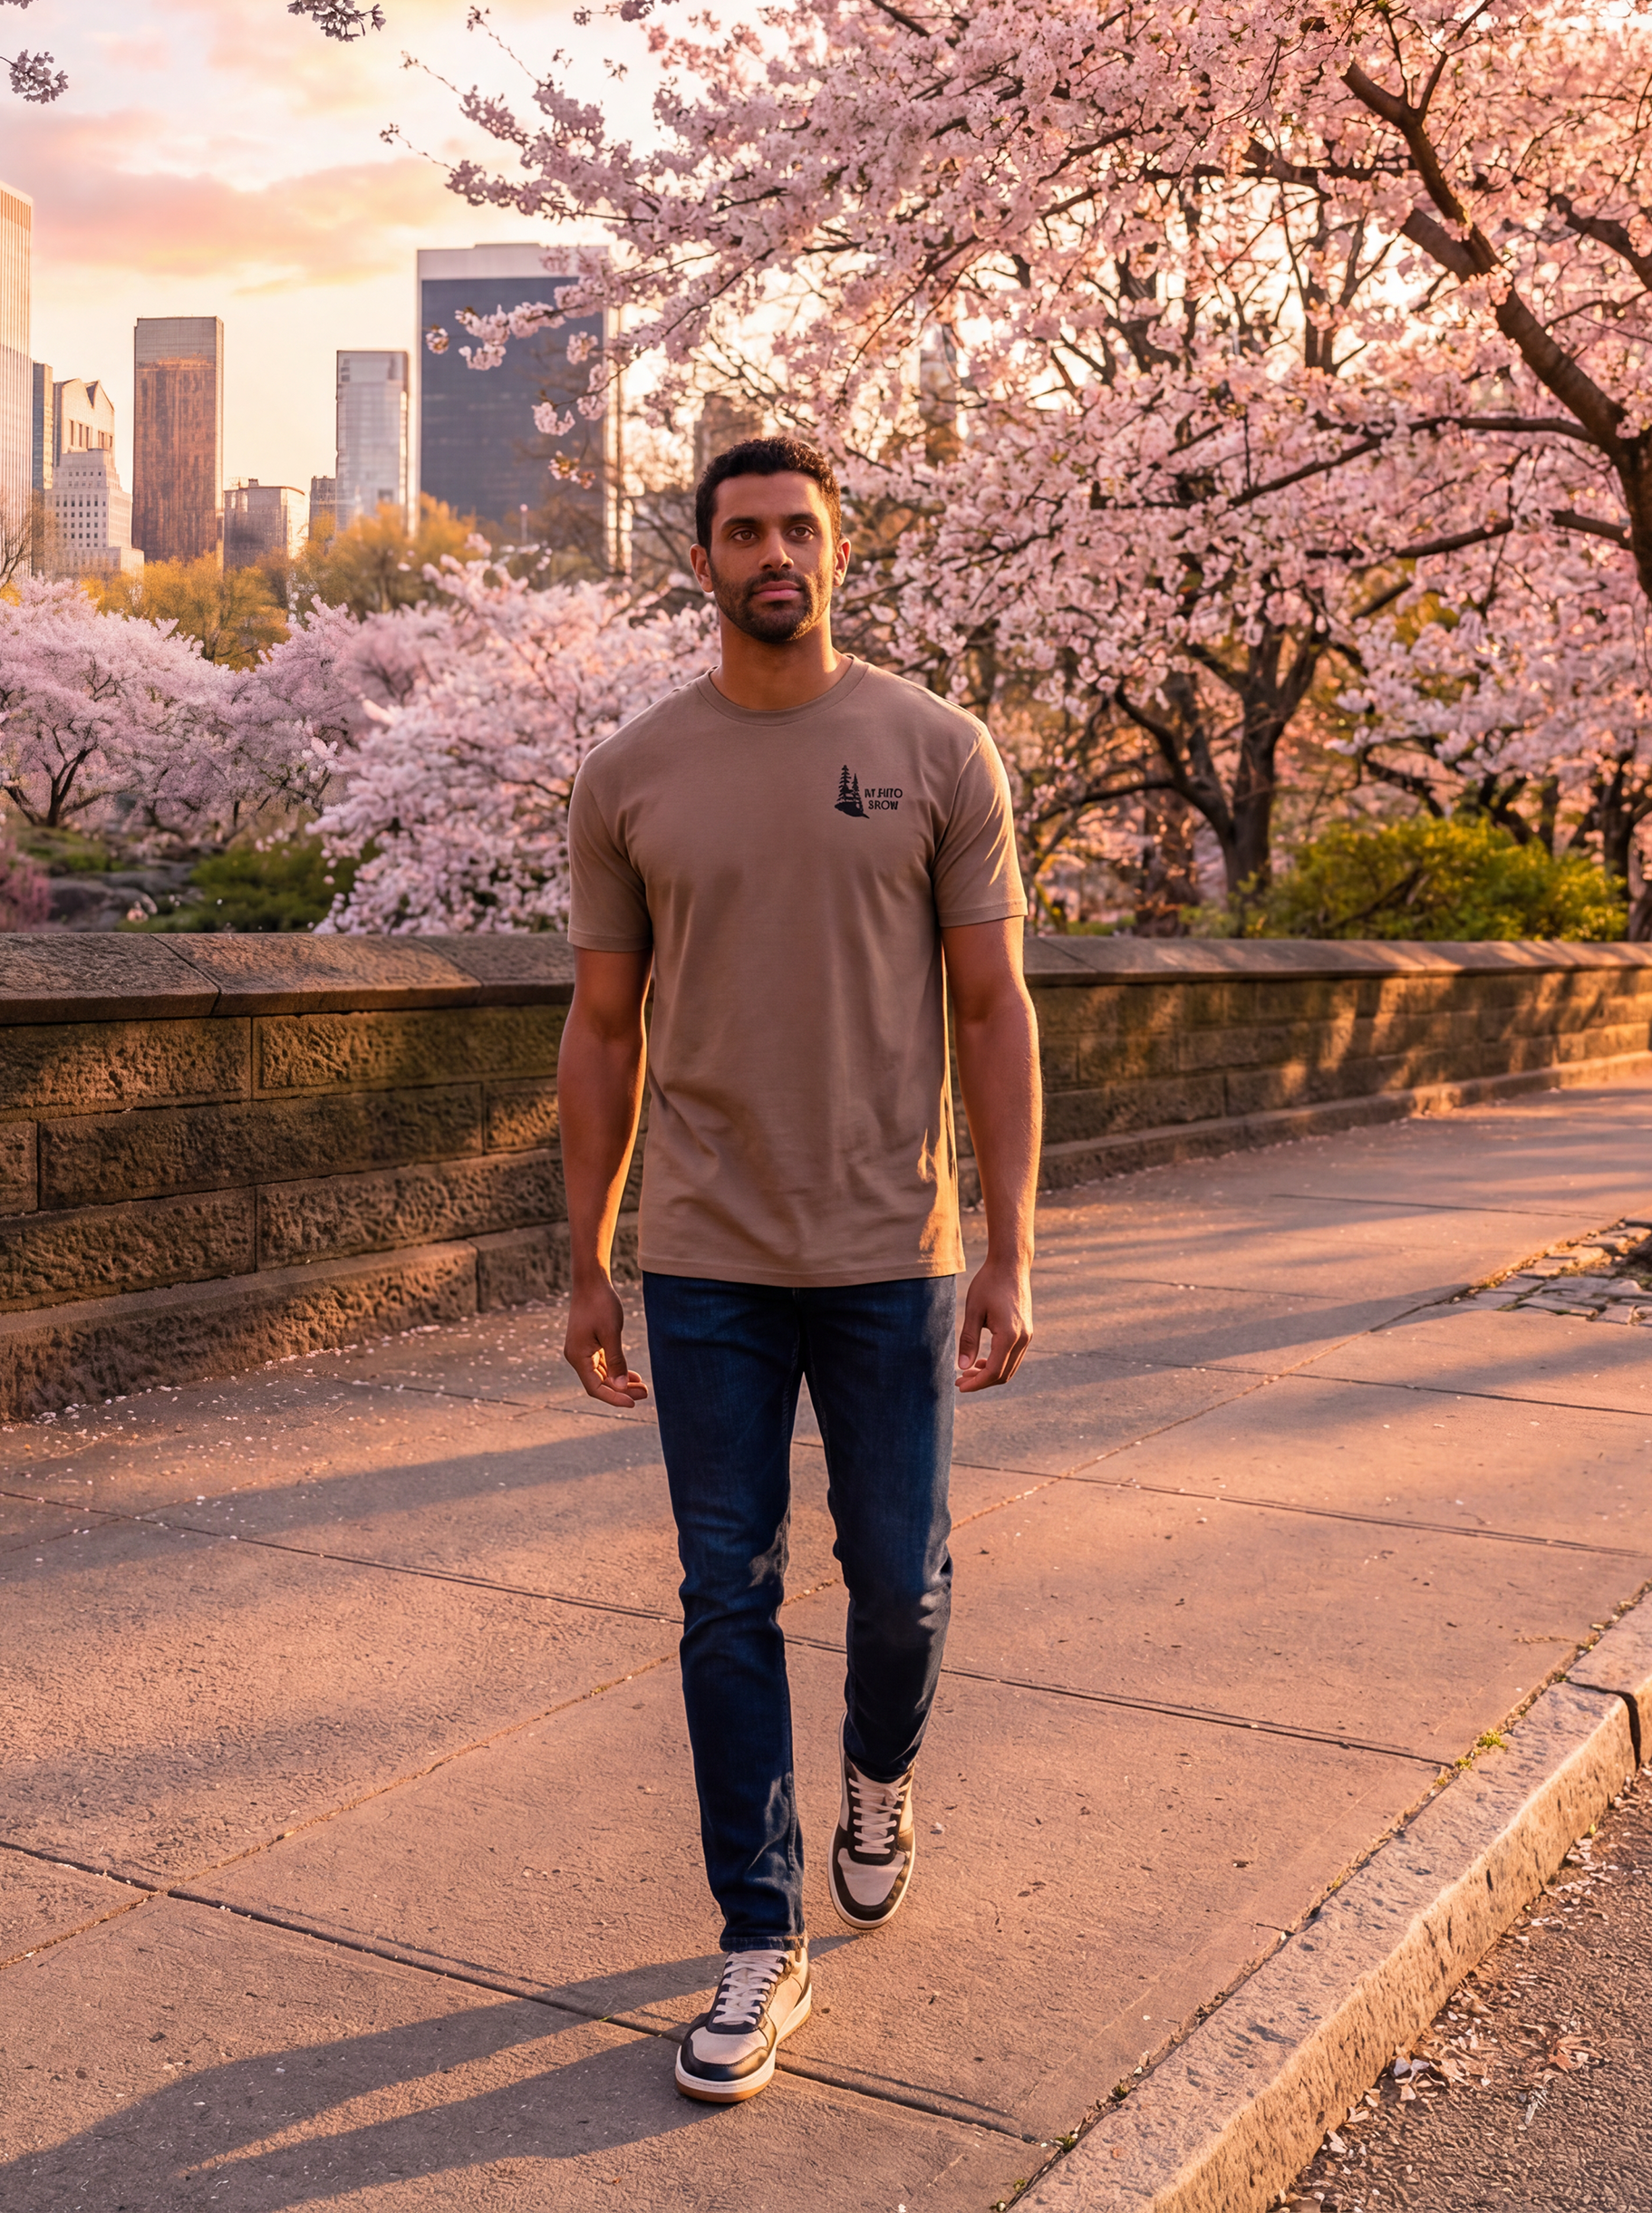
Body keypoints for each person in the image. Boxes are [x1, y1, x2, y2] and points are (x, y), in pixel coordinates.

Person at [557, 431, 1042, 2104]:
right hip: (703, 1261)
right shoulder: (629, 776)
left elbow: (992, 1009)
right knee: (724, 1596)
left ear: (840, 552)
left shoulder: (935, 750)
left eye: (801, 530)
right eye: (744, 530)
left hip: (890, 1250)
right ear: (699, 559)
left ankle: (878, 1776)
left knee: (900, 1587)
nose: (776, 553)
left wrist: (1010, 1250)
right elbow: (602, 1028)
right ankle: (756, 1937)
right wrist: (586, 1259)